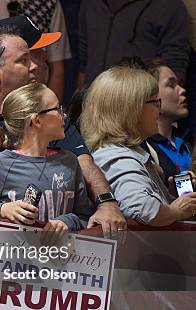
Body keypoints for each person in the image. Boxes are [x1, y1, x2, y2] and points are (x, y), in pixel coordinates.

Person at [0, 20, 127, 233]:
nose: (35, 65)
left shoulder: (51, 119)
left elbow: (84, 163)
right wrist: (0, 210)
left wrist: (106, 202)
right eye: (24, 60)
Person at [0, 82, 92, 231]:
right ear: (36, 120)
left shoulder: (70, 162)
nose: (64, 114)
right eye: (57, 109)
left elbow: (85, 216)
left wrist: (68, 221)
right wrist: (1, 210)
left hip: (56, 253)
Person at [81, 66, 196, 226]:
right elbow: (144, 209)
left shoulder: (126, 152)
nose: (159, 108)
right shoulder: (119, 158)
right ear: (131, 110)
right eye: (155, 102)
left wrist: (169, 195)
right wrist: (175, 211)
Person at [78, 0, 190, 86]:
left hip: (139, 105)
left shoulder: (169, 7)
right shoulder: (91, 4)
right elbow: (83, 63)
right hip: (92, 105)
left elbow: (174, 74)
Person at [142, 59, 192, 182]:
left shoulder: (187, 142)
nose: (182, 90)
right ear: (151, 94)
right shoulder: (143, 149)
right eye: (171, 85)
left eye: (179, 84)